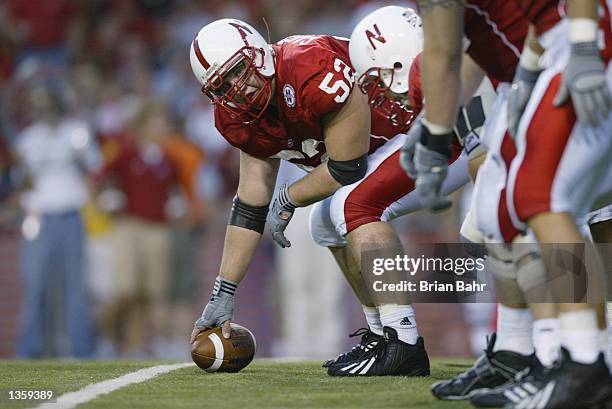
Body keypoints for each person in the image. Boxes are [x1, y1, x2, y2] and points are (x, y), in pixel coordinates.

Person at [187, 16, 453, 377]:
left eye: (238, 72)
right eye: (223, 86)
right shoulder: (238, 118)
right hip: (391, 145)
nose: (237, 89)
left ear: (260, 56)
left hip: (432, 128)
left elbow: (348, 167)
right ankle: (381, 336)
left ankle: (403, 340)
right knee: (325, 224)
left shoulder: (308, 66)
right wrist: (224, 292)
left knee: (353, 206)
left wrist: (289, 196)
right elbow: (249, 204)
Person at [404, 0, 612, 407]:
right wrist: (529, 71)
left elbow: (444, 51)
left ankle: (584, 357)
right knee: (497, 212)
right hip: (551, 53)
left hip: (578, 45)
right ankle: (538, 353)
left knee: (541, 198)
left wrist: (585, 41)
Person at [15, 87, 99, 358]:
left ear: (58, 104)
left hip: (71, 215)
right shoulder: (27, 139)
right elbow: (21, 182)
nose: (44, 108)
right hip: (38, 216)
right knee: (35, 285)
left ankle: (82, 350)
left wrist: (79, 160)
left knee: (76, 287)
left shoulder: (76, 131)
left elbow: (95, 168)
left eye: (48, 102)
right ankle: (28, 351)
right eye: (39, 103)